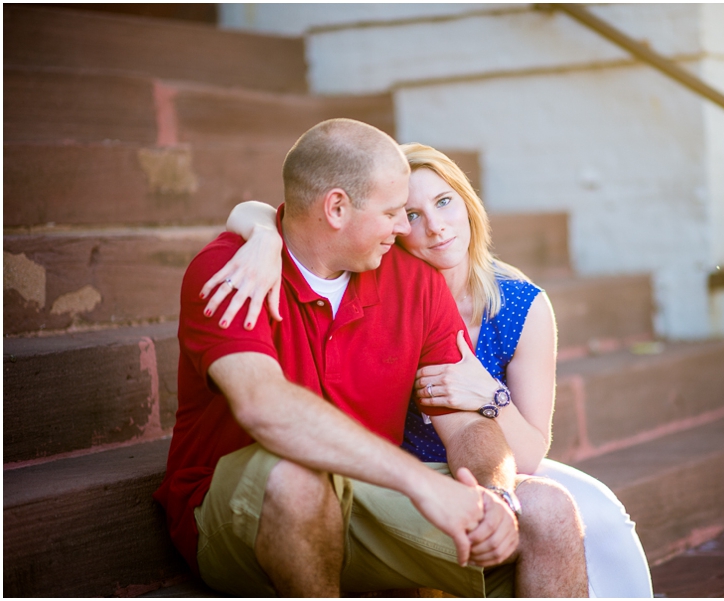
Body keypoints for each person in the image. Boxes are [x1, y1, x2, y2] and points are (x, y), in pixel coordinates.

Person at [155, 118, 588, 598]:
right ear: (336, 208)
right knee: (298, 479)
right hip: (243, 510)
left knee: (548, 511)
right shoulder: (232, 271)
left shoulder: (414, 282)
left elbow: (466, 425)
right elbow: (265, 408)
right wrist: (425, 487)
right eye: (393, 213)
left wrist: (494, 494)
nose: (405, 228)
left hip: (369, 499)